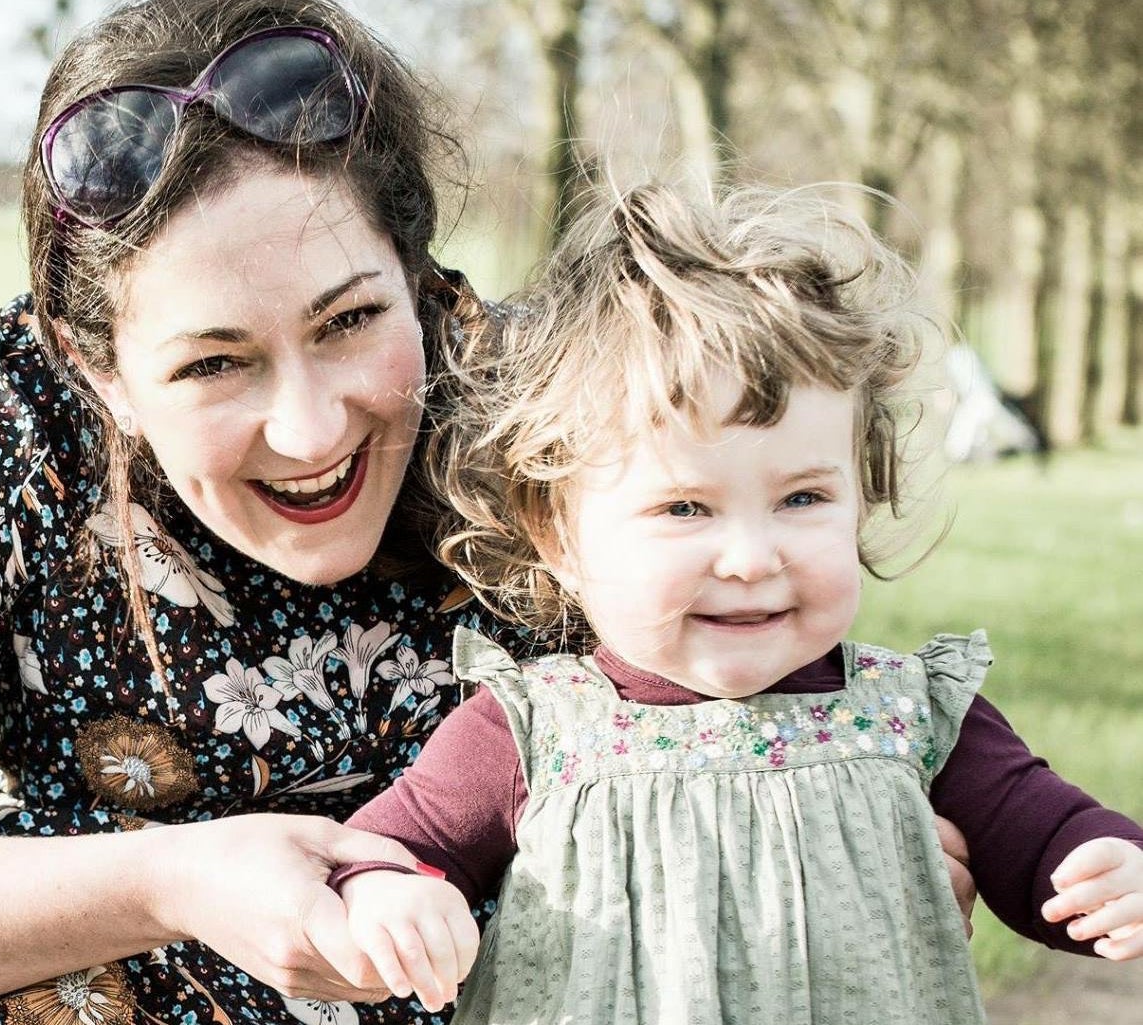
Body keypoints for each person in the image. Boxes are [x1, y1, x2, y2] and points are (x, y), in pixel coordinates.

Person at [0, 3, 976, 1024]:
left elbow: (767, 674)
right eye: (213, 364)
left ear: (416, 270)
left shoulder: (553, 416)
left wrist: (854, 839)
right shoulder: (4, 423)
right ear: (101, 371)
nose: (310, 429)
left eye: (351, 320)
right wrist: (169, 881)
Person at [327, 184, 1143, 1022]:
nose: (752, 559)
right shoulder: (533, 731)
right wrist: (393, 893)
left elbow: (1040, 833)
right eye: (685, 508)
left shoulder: (913, 716)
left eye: (801, 499)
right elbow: (390, 847)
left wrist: (1103, 867)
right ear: (558, 533)